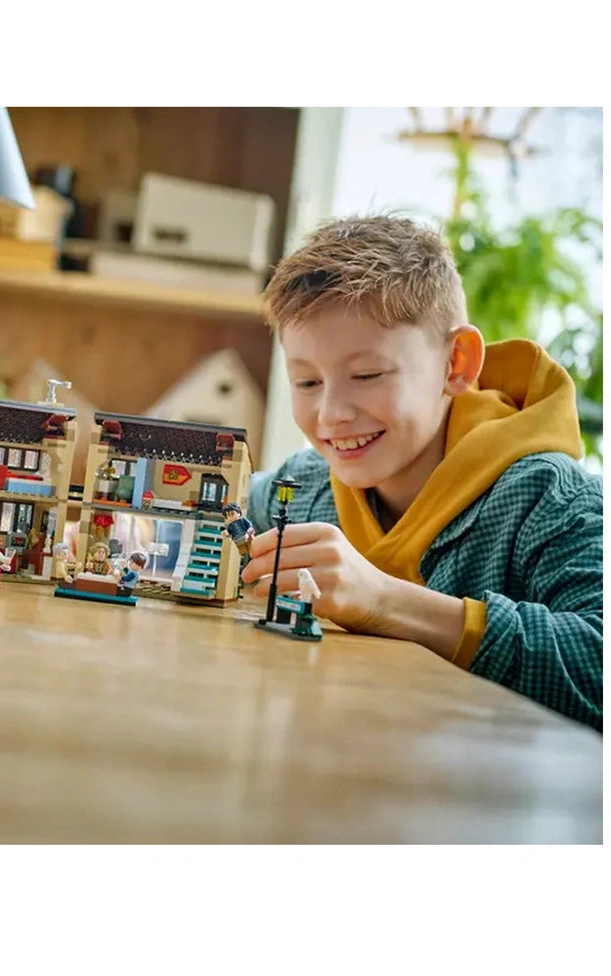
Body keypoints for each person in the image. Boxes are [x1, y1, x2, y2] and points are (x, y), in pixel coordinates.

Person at [243, 215, 602, 730]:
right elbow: (228, 504)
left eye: (367, 375)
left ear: (456, 364)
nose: (331, 414)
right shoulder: (305, 487)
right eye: (306, 382)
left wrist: (385, 600)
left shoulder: (550, 499)